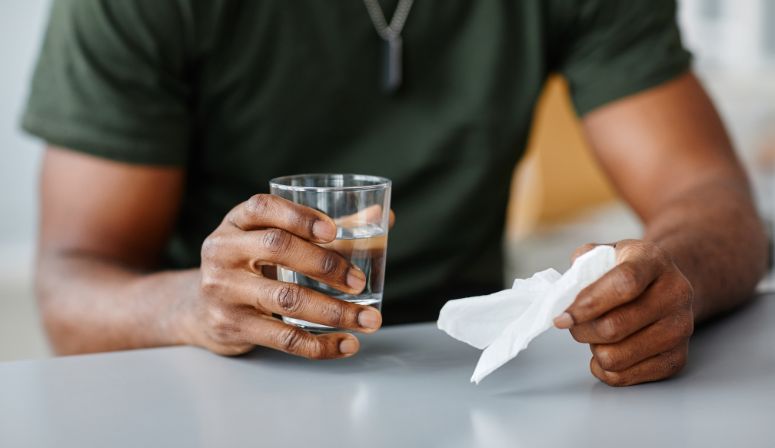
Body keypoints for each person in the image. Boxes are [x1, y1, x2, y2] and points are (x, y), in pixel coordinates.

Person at [22, 0, 768, 387]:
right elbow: (69, 280)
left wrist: (668, 282)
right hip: (213, 383)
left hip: (470, 383)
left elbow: (709, 195)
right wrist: (196, 308)